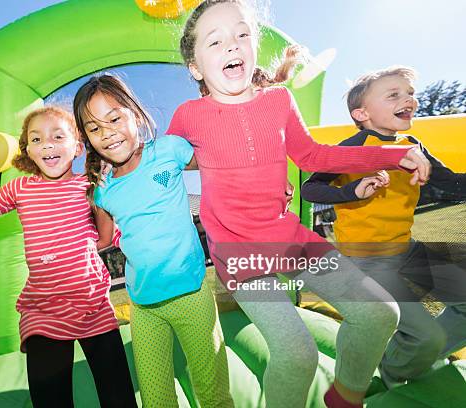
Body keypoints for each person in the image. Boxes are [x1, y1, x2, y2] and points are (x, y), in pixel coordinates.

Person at [168, 1, 432, 407]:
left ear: (254, 45)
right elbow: (164, 166)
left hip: (291, 239)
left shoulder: (277, 101)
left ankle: (344, 397)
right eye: (215, 41)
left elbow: (314, 157)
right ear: (196, 68)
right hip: (240, 255)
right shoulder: (188, 116)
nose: (232, 46)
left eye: (241, 34)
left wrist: (391, 155)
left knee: (380, 312)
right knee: (297, 355)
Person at [0, 106, 136, 408]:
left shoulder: (89, 186)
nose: (48, 145)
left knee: (118, 397)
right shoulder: (20, 189)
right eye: (37, 139)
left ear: (78, 146)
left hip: (94, 306)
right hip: (44, 313)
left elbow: (110, 237)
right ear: (27, 150)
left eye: (58, 136)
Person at [73, 74, 234, 407]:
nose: (107, 134)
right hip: (144, 308)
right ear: (87, 138)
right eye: (94, 128)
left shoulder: (168, 151)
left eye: (114, 118)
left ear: (135, 113)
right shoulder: (104, 191)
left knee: (212, 393)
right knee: (156, 399)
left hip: (192, 295)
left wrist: (266, 188)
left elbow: (222, 163)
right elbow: (101, 239)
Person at [301, 65, 466, 389]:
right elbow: (311, 189)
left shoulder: (412, 144)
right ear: (362, 113)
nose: (409, 100)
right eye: (394, 95)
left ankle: (412, 360)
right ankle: (391, 375)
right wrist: (351, 190)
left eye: (410, 94)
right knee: (425, 334)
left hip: (406, 247)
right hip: (367, 259)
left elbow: (450, 182)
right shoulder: (352, 147)